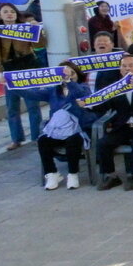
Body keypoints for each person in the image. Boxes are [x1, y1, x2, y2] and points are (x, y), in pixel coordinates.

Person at [87, 54, 133, 191]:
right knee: (103, 143)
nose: (127, 69)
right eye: (124, 66)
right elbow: (103, 106)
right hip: (122, 126)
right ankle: (111, 176)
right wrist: (89, 104)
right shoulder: (115, 87)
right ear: (120, 70)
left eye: (130, 65)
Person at [30, 62, 96, 190]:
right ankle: (52, 173)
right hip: (58, 130)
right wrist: (11, 84)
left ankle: (73, 174)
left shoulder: (83, 87)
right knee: (43, 140)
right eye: (65, 74)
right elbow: (31, 94)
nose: (69, 76)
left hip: (78, 128)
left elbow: (80, 94)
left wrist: (69, 82)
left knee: (73, 140)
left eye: (72, 73)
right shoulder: (53, 91)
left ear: (77, 75)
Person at [0, 2, 46, 150]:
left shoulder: (26, 28)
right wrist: (1, 72)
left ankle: (37, 136)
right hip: (9, 70)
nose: (9, 14)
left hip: (28, 67)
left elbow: (39, 46)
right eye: (5, 12)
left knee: (32, 104)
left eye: (12, 11)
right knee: (12, 106)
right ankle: (16, 138)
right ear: (0, 16)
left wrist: (36, 30)